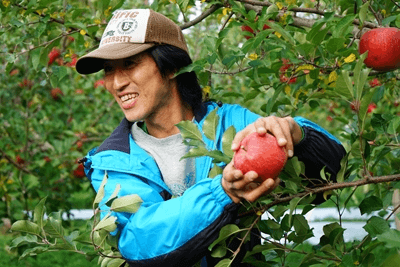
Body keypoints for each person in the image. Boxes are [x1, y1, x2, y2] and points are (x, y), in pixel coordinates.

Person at [75, 8, 346, 267]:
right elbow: (140, 240)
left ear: (170, 68)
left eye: (130, 64)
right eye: (109, 70)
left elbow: (330, 177)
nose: (116, 82)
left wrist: (297, 134)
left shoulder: (231, 125)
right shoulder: (112, 162)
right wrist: (222, 194)